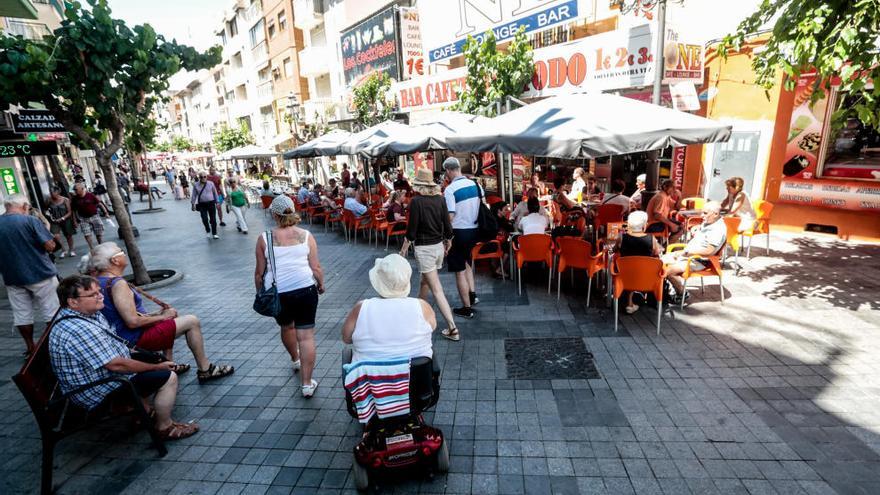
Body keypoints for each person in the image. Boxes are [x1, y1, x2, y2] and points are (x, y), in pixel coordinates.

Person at [49, 275, 198, 440]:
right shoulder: (79, 329)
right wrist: (156, 368)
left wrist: (146, 359)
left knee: (156, 360)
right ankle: (164, 428)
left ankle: (145, 413)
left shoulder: (86, 314)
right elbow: (116, 366)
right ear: (73, 302)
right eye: (93, 294)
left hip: (99, 378)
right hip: (96, 391)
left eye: (99, 291)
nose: (101, 296)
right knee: (168, 377)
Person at [87, 243, 234, 382]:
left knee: (167, 322)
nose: (124, 254)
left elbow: (124, 315)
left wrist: (158, 315)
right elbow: (132, 321)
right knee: (191, 321)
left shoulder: (98, 281)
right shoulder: (118, 284)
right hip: (134, 339)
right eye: (121, 252)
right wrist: (163, 316)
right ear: (115, 260)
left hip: (121, 336)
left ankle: (168, 366)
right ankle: (205, 369)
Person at [255, 195, 325, 397]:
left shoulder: (264, 238)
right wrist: (321, 284)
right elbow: (316, 267)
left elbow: (259, 273)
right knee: (306, 336)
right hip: (305, 289)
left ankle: (295, 359)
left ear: (274, 214)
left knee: (286, 327)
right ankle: (306, 384)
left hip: (279, 293)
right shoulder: (306, 235)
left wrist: (260, 292)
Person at [398, 168, 458, 341]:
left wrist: (403, 249)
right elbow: (447, 226)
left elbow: (412, 230)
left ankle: (453, 328)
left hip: (425, 250)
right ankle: (418, 317)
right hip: (438, 248)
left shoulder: (416, 201)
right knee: (425, 282)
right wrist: (449, 241)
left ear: (419, 185)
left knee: (437, 289)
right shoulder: (440, 200)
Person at [342, 254, 436, 361]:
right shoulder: (422, 307)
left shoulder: (361, 308)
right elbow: (431, 329)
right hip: (416, 375)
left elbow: (346, 338)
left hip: (369, 375)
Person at [0, 195, 59, 356]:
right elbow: (50, 246)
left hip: (12, 276)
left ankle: (30, 347)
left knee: (21, 314)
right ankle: (52, 345)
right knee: (51, 309)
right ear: (25, 206)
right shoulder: (30, 221)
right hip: (40, 272)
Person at [662, 201, 727, 304]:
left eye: (705, 213)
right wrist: (696, 228)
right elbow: (703, 231)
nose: (702, 215)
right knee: (658, 262)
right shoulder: (711, 221)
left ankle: (681, 293)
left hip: (698, 260)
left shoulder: (718, 229)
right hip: (689, 256)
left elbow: (708, 251)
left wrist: (685, 252)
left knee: (665, 270)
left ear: (715, 214)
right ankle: (664, 291)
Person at [443, 157, 481, 319]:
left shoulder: (450, 190)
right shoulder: (475, 184)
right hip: (474, 230)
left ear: (449, 171)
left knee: (459, 270)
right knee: (467, 263)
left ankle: (466, 308)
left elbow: (450, 215)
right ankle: (472, 295)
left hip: (458, 232)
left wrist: (443, 232)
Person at [619, 211, 661, 314]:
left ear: (629, 224)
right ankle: (651, 300)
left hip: (625, 275)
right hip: (646, 275)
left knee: (630, 268)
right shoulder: (652, 239)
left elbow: (616, 249)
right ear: (644, 225)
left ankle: (629, 303)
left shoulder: (621, 237)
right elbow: (657, 252)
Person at [71, 182, 110, 250]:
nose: (75, 191)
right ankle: (92, 248)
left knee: (99, 232)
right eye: (74, 190)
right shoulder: (74, 199)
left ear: (82, 189)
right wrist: (74, 221)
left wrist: (106, 212)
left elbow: (100, 204)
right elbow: (74, 210)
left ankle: (100, 245)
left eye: (76, 189)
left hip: (94, 216)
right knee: (87, 233)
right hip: (83, 218)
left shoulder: (90, 195)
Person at [46, 186, 76, 258]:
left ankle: (71, 250)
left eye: (53, 192)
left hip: (65, 219)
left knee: (68, 235)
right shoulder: (48, 200)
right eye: (50, 192)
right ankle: (63, 250)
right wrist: (50, 216)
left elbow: (69, 212)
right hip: (54, 220)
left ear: (58, 192)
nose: (52, 194)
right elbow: (46, 209)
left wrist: (62, 218)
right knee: (56, 236)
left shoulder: (65, 200)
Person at [191, 172, 220, 239]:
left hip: (211, 203)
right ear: (199, 178)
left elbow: (215, 193)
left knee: (213, 219)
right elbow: (194, 195)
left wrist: (217, 202)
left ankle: (214, 233)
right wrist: (193, 204)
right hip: (202, 204)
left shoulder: (211, 183)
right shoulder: (196, 185)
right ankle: (207, 230)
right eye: (201, 177)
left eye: (205, 176)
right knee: (204, 219)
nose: (203, 178)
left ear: (206, 177)